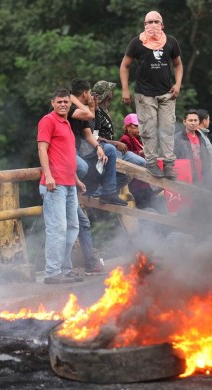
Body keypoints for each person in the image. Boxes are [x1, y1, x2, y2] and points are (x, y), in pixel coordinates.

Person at [120, 10, 183, 180]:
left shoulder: (171, 41)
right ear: (144, 25)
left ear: (162, 25)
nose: (153, 25)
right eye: (149, 22)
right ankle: (152, 163)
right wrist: (125, 89)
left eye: (156, 22)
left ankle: (169, 165)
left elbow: (178, 64)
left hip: (167, 93)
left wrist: (177, 84)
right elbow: (125, 66)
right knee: (148, 129)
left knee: (167, 129)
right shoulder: (137, 43)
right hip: (145, 94)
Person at [37, 88, 85, 284]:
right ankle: (52, 273)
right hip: (54, 185)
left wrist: (76, 179)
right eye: (59, 101)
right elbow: (42, 148)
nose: (63, 104)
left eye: (66, 101)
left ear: (70, 104)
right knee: (58, 228)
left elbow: (67, 155)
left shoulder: (66, 124)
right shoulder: (48, 121)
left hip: (69, 184)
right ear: (53, 103)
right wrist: (48, 175)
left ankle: (65, 270)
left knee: (72, 227)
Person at [69, 79, 127, 206]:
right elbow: (89, 117)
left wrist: (98, 147)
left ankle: (109, 193)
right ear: (85, 94)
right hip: (72, 149)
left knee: (110, 151)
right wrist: (90, 107)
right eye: (90, 93)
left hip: (83, 146)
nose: (92, 95)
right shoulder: (71, 107)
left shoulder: (85, 109)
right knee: (86, 166)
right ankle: (93, 189)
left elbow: (92, 130)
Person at [92, 80, 146, 191]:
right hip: (103, 148)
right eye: (109, 90)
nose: (112, 92)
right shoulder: (95, 111)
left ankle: (108, 192)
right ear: (106, 94)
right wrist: (115, 143)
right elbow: (93, 136)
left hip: (112, 147)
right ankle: (102, 193)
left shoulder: (105, 110)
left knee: (141, 163)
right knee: (123, 172)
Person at [174, 109, 211, 183]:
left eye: (195, 120)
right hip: (186, 178)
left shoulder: (201, 138)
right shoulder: (177, 138)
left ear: (198, 122)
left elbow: (207, 157)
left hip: (203, 178)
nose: (193, 123)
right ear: (184, 122)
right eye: (190, 120)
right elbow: (174, 159)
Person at [197, 109, 212, 177]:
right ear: (204, 121)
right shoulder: (199, 135)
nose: (209, 121)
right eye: (208, 119)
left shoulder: (203, 134)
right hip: (207, 174)